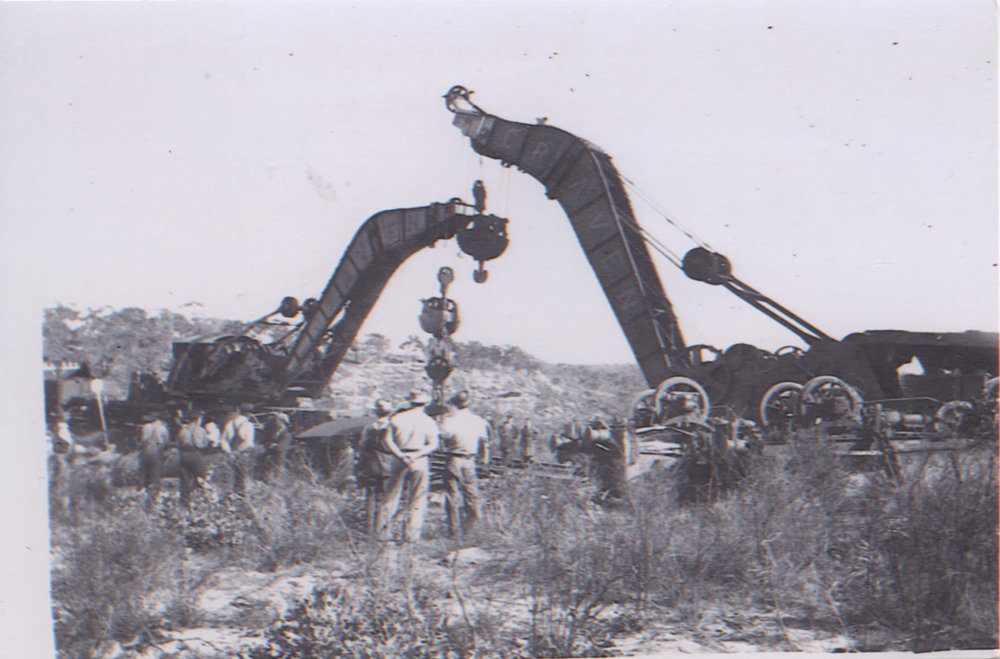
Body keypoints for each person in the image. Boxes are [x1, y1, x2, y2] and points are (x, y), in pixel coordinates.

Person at [374, 391, 440, 543]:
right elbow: (433, 444)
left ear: (410, 402)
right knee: (418, 497)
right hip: (419, 459)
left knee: (391, 496)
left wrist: (400, 455)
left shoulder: (397, 418)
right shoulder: (428, 421)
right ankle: (411, 535)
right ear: (425, 403)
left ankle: (382, 534)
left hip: (399, 458)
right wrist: (416, 455)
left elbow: (387, 441)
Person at [438, 390, 490, 541]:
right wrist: (485, 459)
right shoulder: (478, 420)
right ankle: (470, 530)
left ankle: (453, 532)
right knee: (472, 495)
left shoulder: (449, 420)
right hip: (470, 460)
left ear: (454, 404)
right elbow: (484, 442)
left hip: (454, 458)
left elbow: (442, 440)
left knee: (452, 495)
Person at [355, 398, 394, 535]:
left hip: (371, 464)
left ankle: (369, 528)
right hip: (388, 464)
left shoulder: (369, 427)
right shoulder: (392, 426)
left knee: (370, 496)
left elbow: (362, 446)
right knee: (386, 498)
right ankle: (382, 529)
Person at [221, 402, 257, 494]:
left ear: (239, 411)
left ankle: (230, 495)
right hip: (242, 455)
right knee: (242, 479)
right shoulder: (249, 425)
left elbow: (223, 440)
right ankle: (240, 497)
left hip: (230, 455)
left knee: (230, 478)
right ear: (249, 413)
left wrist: (229, 452)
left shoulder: (230, 423)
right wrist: (238, 451)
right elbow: (248, 443)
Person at [176, 409, 209, 507]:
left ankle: (184, 503)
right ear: (198, 419)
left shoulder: (182, 431)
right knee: (201, 477)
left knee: (185, 479)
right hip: (196, 453)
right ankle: (200, 501)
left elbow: (178, 444)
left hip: (184, 455)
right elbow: (204, 444)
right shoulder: (200, 430)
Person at [138, 411, 170, 500]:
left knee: (143, 471)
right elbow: (167, 442)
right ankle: (155, 493)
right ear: (160, 420)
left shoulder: (145, 427)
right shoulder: (163, 428)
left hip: (145, 451)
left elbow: (143, 440)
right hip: (157, 451)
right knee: (156, 472)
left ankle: (142, 491)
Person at [261, 411, 292, 481]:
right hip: (270, 460)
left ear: (283, 422)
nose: (276, 422)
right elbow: (265, 442)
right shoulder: (274, 432)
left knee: (277, 477)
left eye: (278, 421)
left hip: (279, 460)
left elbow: (280, 447)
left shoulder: (286, 435)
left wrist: (272, 446)